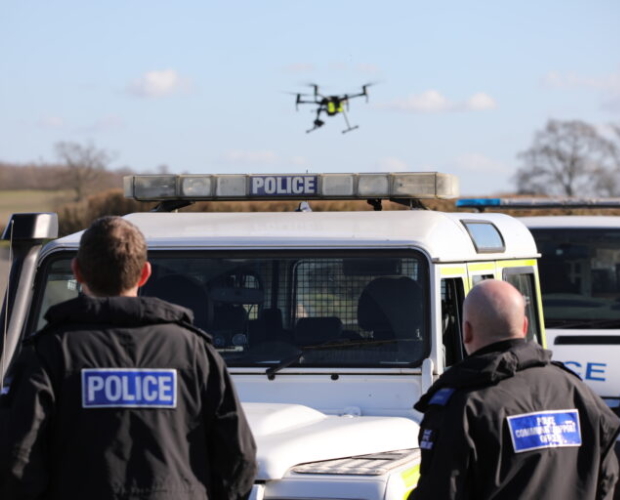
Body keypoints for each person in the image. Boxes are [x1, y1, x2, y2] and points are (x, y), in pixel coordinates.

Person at [0, 216, 257, 499]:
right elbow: (238, 456)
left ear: (77, 272)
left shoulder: (49, 352)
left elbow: (18, 457)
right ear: (144, 274)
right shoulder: (194, 351)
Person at [411, 279, 620, 500]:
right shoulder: (579, 393)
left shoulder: (462, 405)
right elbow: (607, 483)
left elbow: (440, 492)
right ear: (524, 326)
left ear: (466, 331)